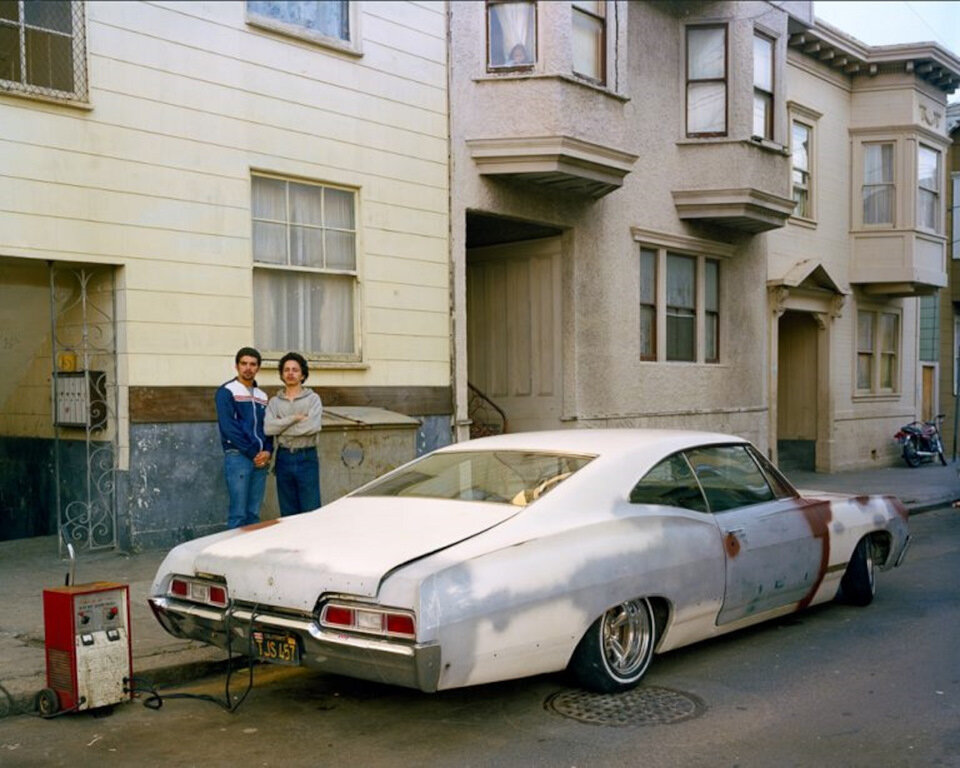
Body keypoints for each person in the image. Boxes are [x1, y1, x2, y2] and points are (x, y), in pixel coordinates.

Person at [215, 347, 272, 529]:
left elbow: (268, 427)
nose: (248, 368)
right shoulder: (227, 391)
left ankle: (250, 555)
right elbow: (229, 427)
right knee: (238, 513)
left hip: (260, 460)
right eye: (244, 363)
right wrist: (253, 452)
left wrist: (268, 451)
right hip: (239, 456)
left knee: (253, 513)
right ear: (236, 366)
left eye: (253, 364)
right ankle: (231, 555)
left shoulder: (262, 396)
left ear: (258, 368)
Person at [265, 352, 323, 516]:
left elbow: (313, 426)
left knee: (311, 510)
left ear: (303, 374)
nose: (290, 373)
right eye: (286, 370)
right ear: (282, 374)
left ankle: (311, 542)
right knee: (288, 512)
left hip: (306, 457)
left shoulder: (313, 399)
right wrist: (295, 418)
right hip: (283, 458)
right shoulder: (274, 402)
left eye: (295, 370)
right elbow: (268, 429)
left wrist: (281, 425)